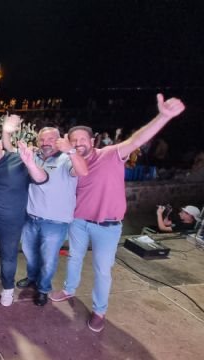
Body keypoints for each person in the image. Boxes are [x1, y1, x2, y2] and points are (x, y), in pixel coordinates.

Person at [50, 94, 185, 332]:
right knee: (74, 258)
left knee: (102, 270)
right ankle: (69, 289)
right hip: (79, 222)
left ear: (93, 140)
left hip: (108, 226)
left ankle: (99, 311)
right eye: (74, 140)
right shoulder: (72, 163)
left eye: (83, 139)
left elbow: (137, 139)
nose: (78, 143)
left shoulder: (111, 154)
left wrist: (163, 116)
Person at [2, 120, 88, 307]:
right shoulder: (35, 156)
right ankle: (32, 278)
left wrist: (71, 151)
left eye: (50, 139)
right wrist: (6, 132)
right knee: (30, 254)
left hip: (55, 223)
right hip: (31, 218)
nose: (45, 142)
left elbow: (83, 171)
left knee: (48, 260)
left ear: (59, 140)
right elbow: (9, 149)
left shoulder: (66, 159)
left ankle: (43, 289)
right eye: (42, 139)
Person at [0, 130, 47, 307]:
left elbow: (41, 178)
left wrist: (30, 163)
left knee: (8, 258)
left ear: (0, 145)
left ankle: (8, 288)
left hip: (11, 225)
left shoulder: (18, 160)